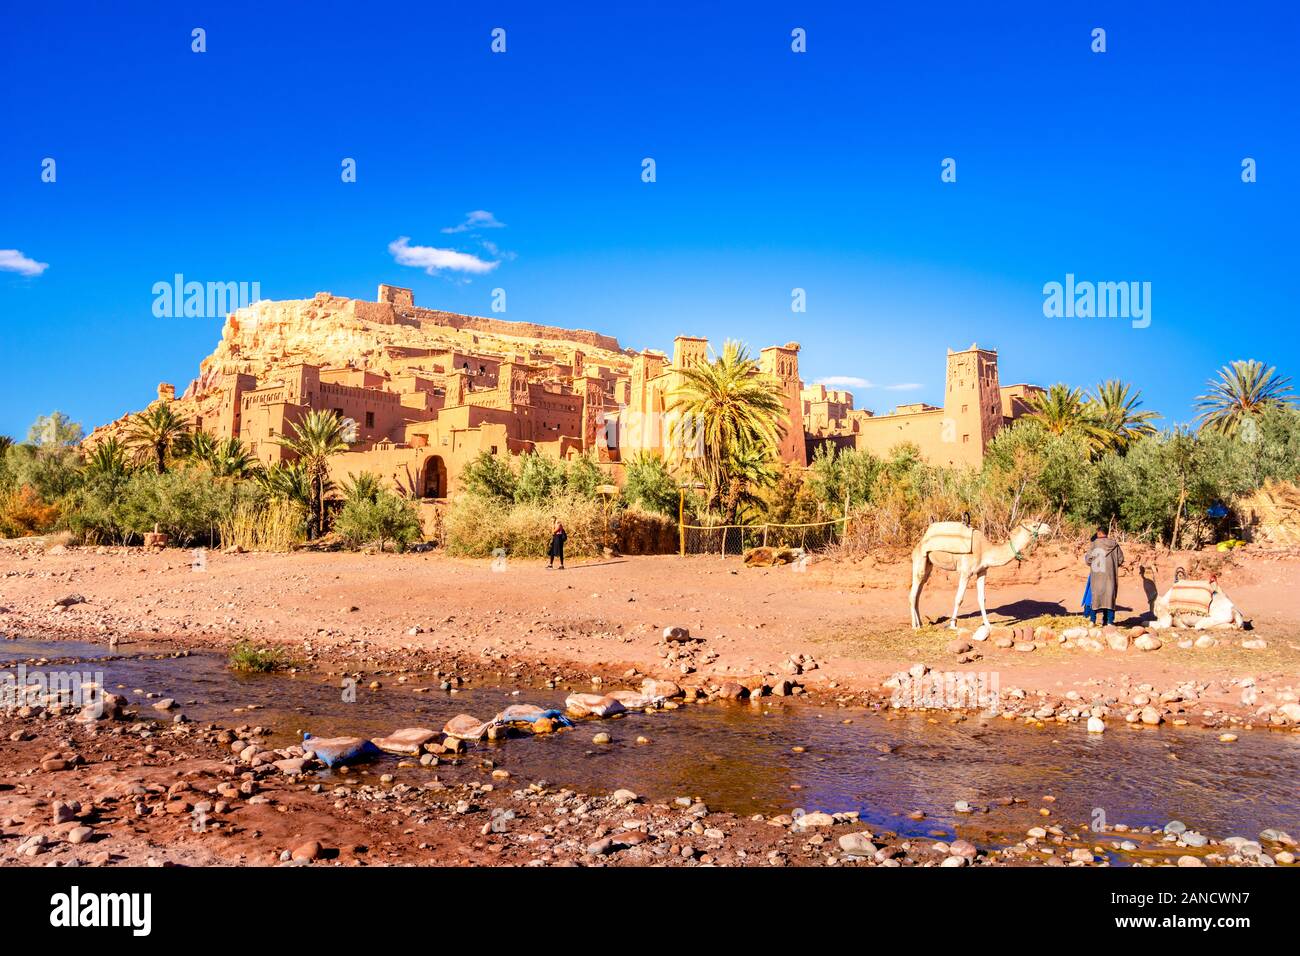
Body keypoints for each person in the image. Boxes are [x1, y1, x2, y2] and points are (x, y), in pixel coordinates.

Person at [1083, 527, 1124, 626]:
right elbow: (1120, 559)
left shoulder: (1094, 545)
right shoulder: (1114, 545)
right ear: (1106, 533)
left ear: (1098, 533)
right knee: (1109, 598)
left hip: (1097, 577)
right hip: (1110, 576)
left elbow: (1088, 560)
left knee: (1095, 598)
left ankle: (1092, 621)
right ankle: (1109, 622)